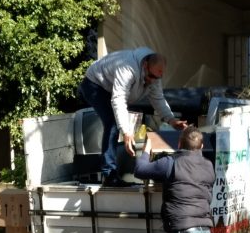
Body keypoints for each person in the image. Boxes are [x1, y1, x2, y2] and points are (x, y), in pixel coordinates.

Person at [79, 47, 187, 186]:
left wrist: (172, 120)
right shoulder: (127, 68)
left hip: (112, 87)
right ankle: (109, 174)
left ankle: (118, 167)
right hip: (95, 84)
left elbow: (158, 99)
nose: (153, 81)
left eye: (157, 78)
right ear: (145, 65)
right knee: (112, 123)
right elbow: (119, 99)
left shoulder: (154, 75)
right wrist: (126, 131)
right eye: (151, 77)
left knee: (123, 122)